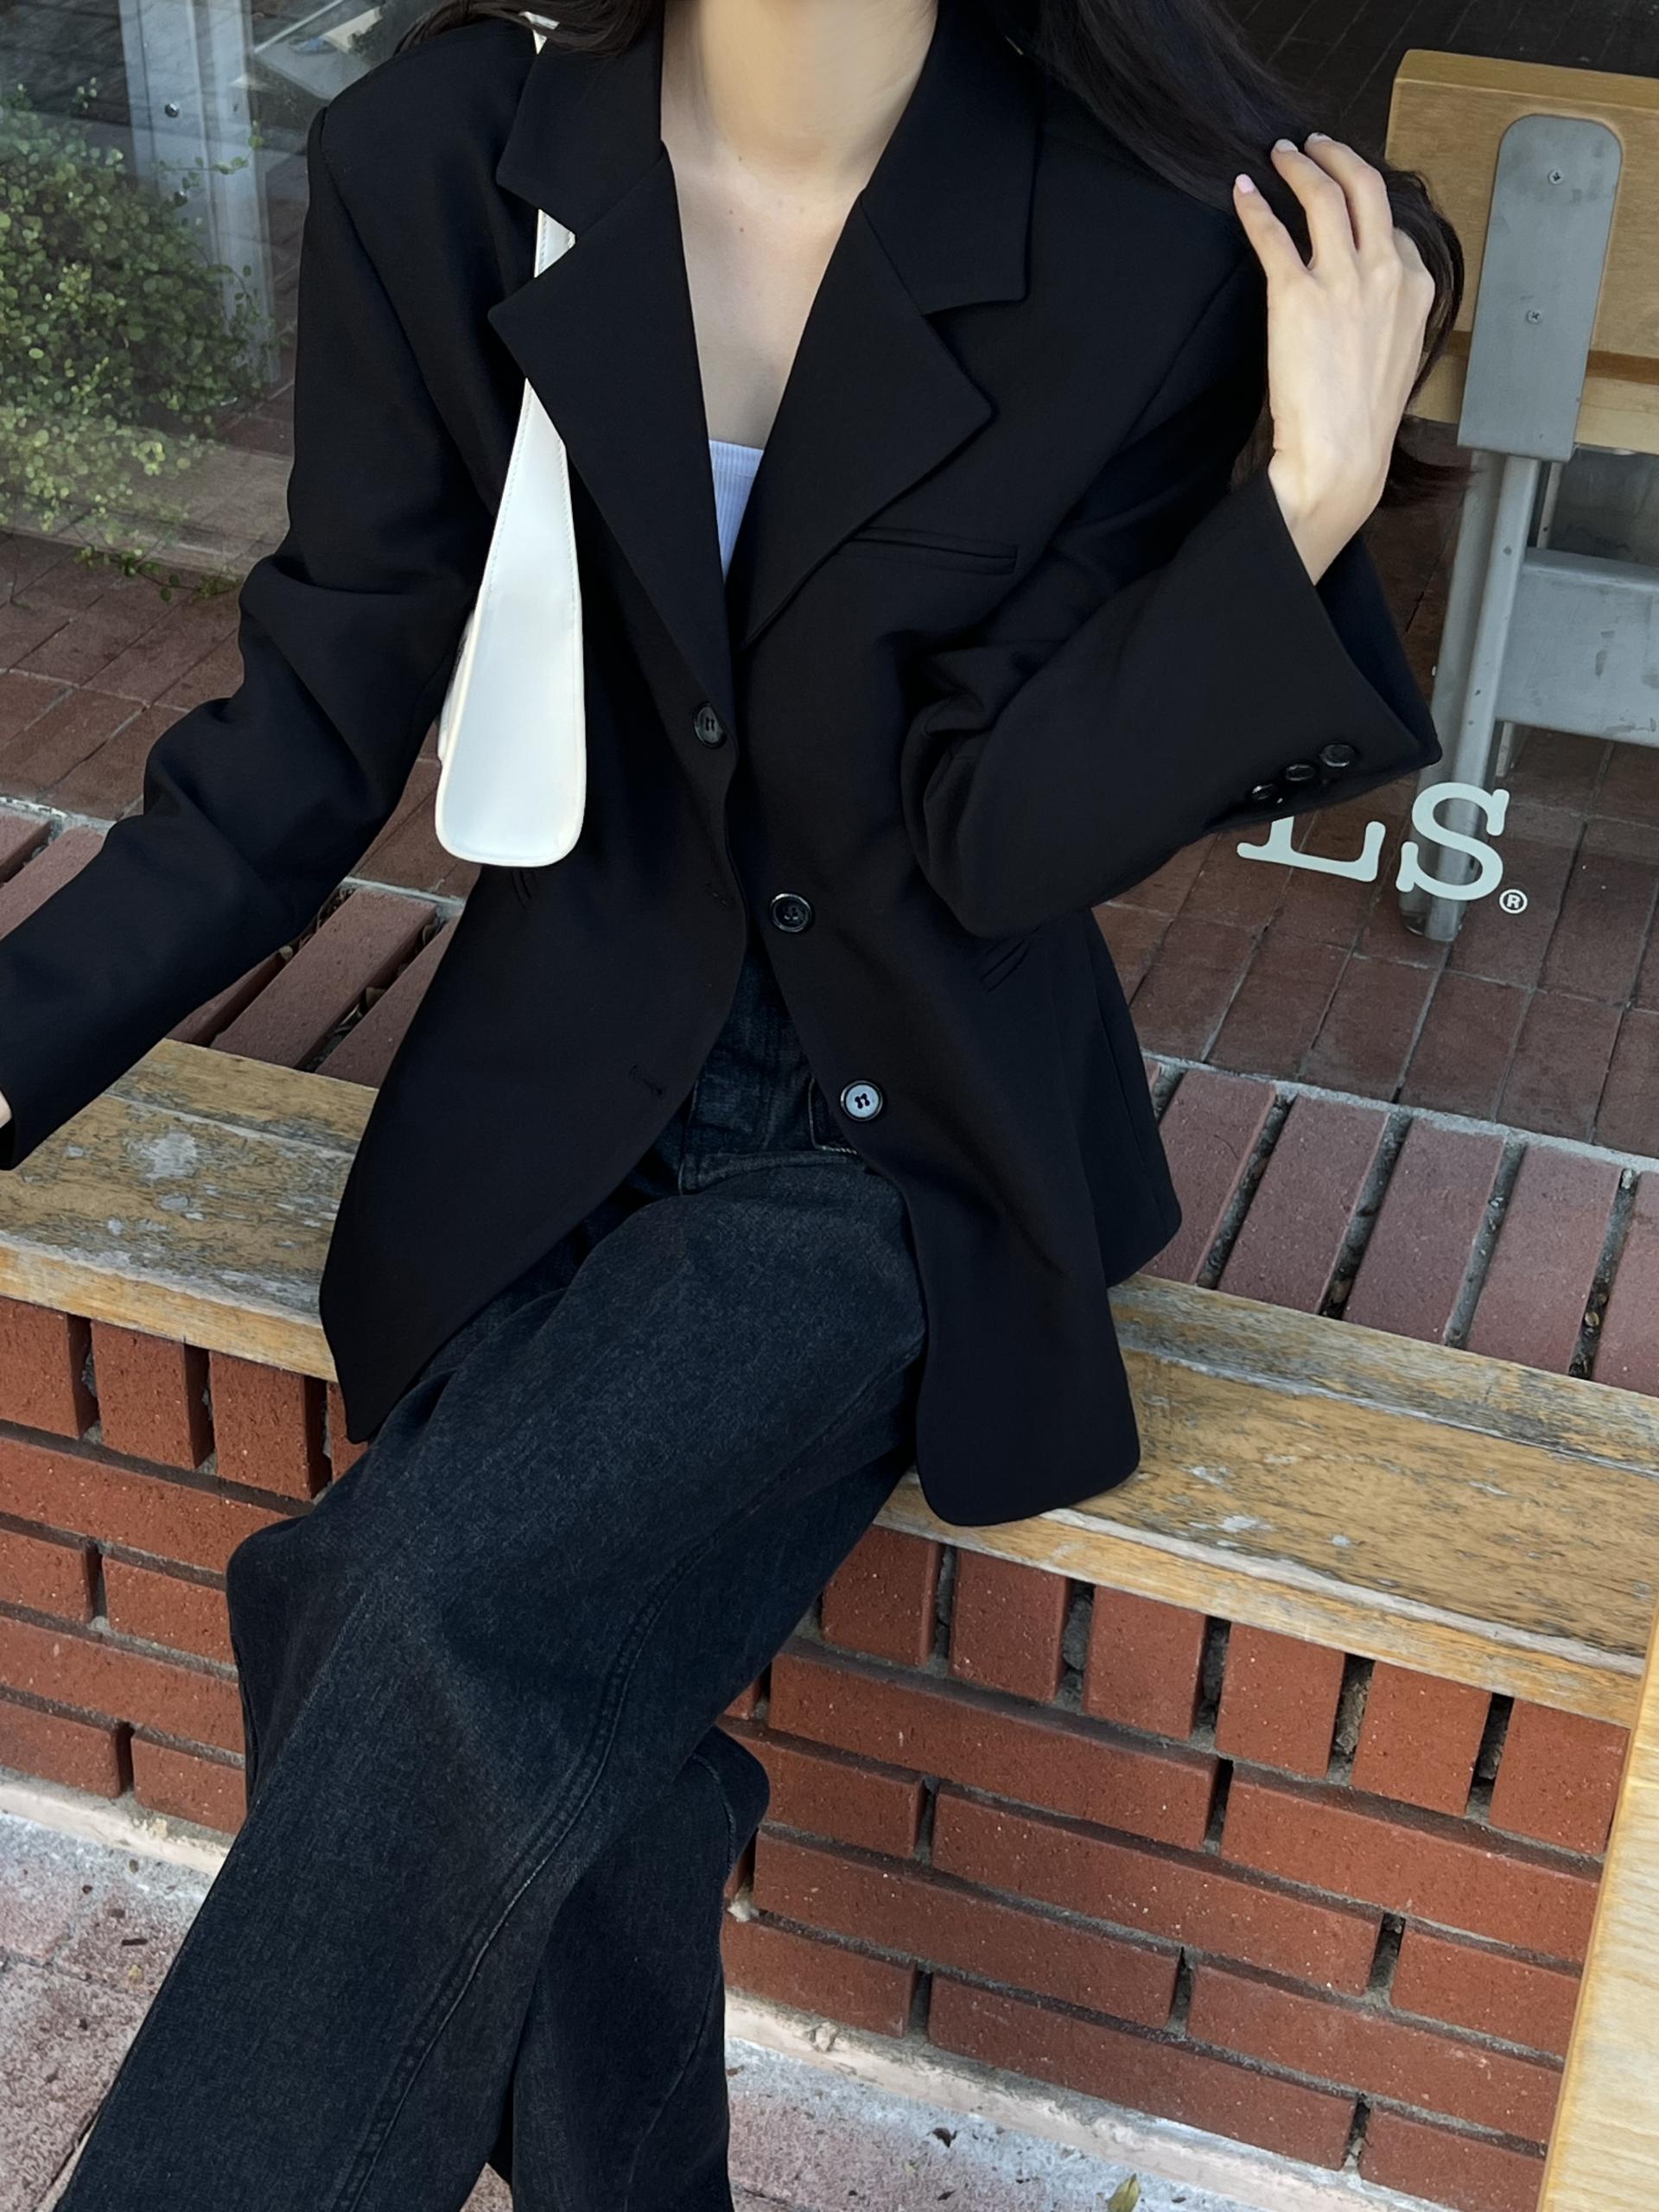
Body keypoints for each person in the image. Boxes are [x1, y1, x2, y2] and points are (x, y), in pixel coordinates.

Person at [3, 0, 1456, 2202]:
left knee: (415, 1604)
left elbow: (994, 841)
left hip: (894, 1134)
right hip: (553, 1097)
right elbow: (305, 741)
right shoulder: (451, 155)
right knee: (529, 1713)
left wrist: (1302, 505)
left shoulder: (1140, 237)